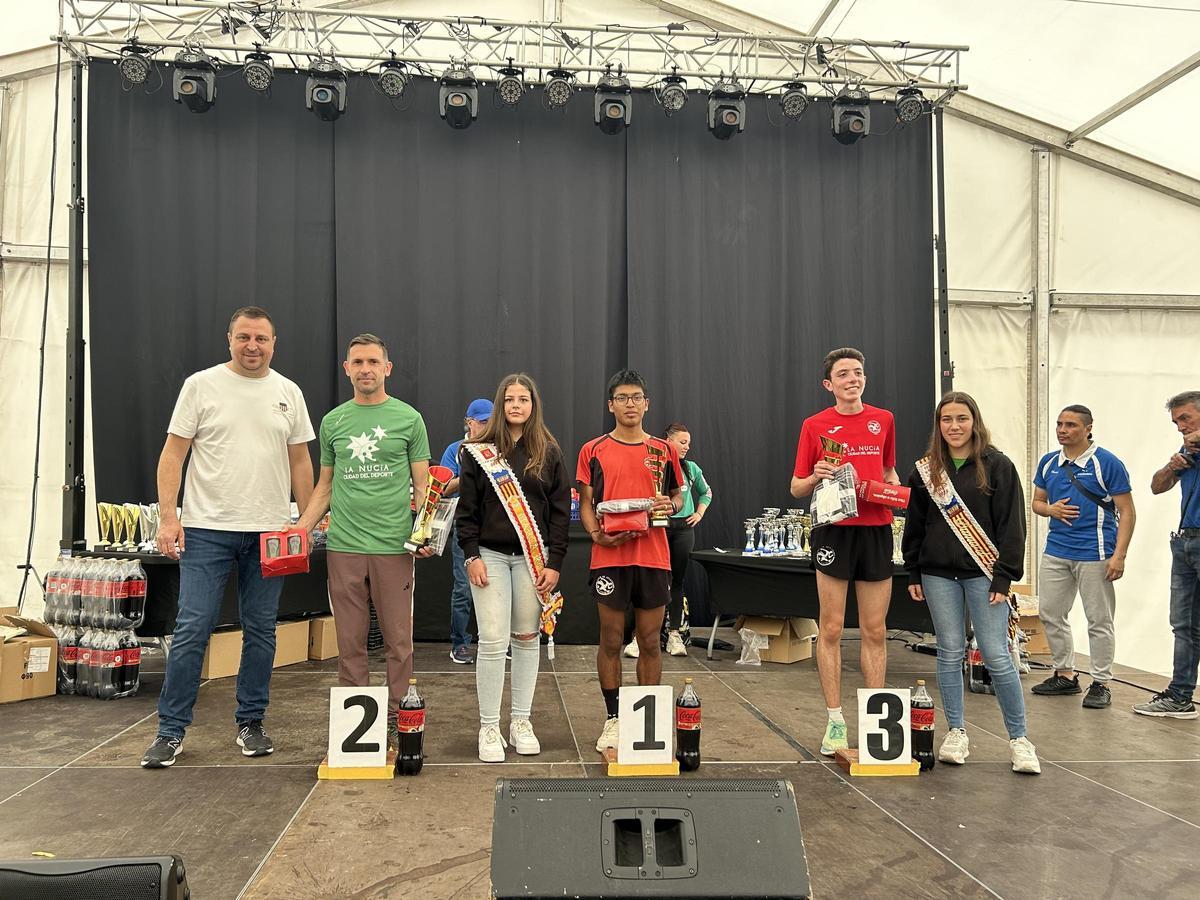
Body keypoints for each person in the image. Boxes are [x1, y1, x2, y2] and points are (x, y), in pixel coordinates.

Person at [142, 306, 314, 769]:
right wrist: (167, 517)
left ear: (274, 343)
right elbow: (173, 454)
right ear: (230, 340)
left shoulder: (288, 392)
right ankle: (170, 731)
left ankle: (251, 722)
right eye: (244, 337)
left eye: (261, 338)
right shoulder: (201, 385)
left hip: (271, 532)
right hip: (206, 530)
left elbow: (300, 462)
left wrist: (304, 522)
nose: (252, 346)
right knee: (193, 629)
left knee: (260, 631)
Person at [294, 333, 431, 751]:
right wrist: (300, 529)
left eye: (373, 361)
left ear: (387, 368)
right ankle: (356, 725)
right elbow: (324, 487)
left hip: (394, 548)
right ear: (347, 369)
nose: (366, 368)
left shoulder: (409, 419)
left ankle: (396, 721)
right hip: (344, 547)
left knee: (398, 642)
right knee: (350, 641)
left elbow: (424, 486)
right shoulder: (333, 421)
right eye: (358, 362)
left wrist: (423, 532)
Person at [902, 392, 1040, 774]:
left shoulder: (998, 466)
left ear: (974, 421)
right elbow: (915, 524)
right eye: (946, 420)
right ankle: (956, 732)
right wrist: (913, 569)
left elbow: (1013, 526)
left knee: (996, 654)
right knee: (948, 651)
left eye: (961, 418)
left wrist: (1004, 575)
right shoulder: (927, 470)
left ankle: (1020, 739)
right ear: (938, 425)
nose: (954, 426)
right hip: (937, 573)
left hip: (984, 574)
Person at [789, 347, 899, 757]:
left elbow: (888, 470)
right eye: (843, 374)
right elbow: (797, 487)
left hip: (876, 531)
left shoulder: (883, 420)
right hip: (834, 533)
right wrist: (815, 475)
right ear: (828, 384)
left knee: (875, 631)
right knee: (831, 629)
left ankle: (875, 725)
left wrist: (894, 489)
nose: (852, 379)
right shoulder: (814, 426)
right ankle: (835, 721)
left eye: (857, 372)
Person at [456, 374, 570, 761]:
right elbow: (467, 511)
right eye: (509, 399)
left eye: (523, 399)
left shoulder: (549, 452)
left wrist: (554, 563)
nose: (516, 405)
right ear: (500, 405)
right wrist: (470, 555)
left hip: (532, 558)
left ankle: (520, 721)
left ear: (533, 405)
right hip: (488, 554)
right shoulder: (477, 452)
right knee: (491, 640)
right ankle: (489, 726)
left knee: (525, 637)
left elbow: (558, 515)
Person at [578, 370, 683, 754]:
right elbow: (587, 504)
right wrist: (596, 534)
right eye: (622, 398)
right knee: (609, 639)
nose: (630, 404)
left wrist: (668, 504)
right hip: (609, 556)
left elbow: (679, 498)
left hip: (653, 556)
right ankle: (613, 720)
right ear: (611, 405)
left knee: (650, 640)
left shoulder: (665, 450)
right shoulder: (593, 449)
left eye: (636, 397)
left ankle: (645, 720)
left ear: (647, 403)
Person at [1031, 405, 1136, 709]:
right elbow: (1038, 502)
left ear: (1088, 428)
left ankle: (1101, 682)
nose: (1063, 430)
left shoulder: (1107, 462)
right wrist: (1050, 510)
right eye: (1059, 424)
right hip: (1057, 551)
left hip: (1096, 553)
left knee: (1098, 619)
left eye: (1071, 425)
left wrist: (1120, 555)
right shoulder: (1049, 462)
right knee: (1050, 612)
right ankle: (1065, 674)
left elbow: (1127, 511)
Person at [1136, 391, 1200, 719]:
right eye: (1176, 421)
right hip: (1186, 542)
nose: (1179, 426)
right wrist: (1172, 466)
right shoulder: (1187, 449)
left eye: (1185, 418)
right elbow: (1156, 486)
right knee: (1184, 623)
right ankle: (1180, 696)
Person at [631, 422, 712, 658]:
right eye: (682, 442)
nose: (686, 447)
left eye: (689, 443)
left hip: (683, 528)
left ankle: (674, 634)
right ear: (668, 441)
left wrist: (698, 513)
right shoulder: (653, 465)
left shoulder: (691, 468)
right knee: (648, 580)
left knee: (677, 581)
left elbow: (707, 492)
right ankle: (639, 637)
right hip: (656, 527)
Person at [440, 398, 494, 665]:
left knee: (498, 587)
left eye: (491, 422)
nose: (486, 427)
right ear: (468, 423)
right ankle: (460, 643)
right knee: (463, 587)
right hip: (466, 526)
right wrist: (474, 472)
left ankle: (499, 641)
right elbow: (442, 486)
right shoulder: (456, 450)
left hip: (497, 527)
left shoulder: (502, 447)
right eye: (482, 422)